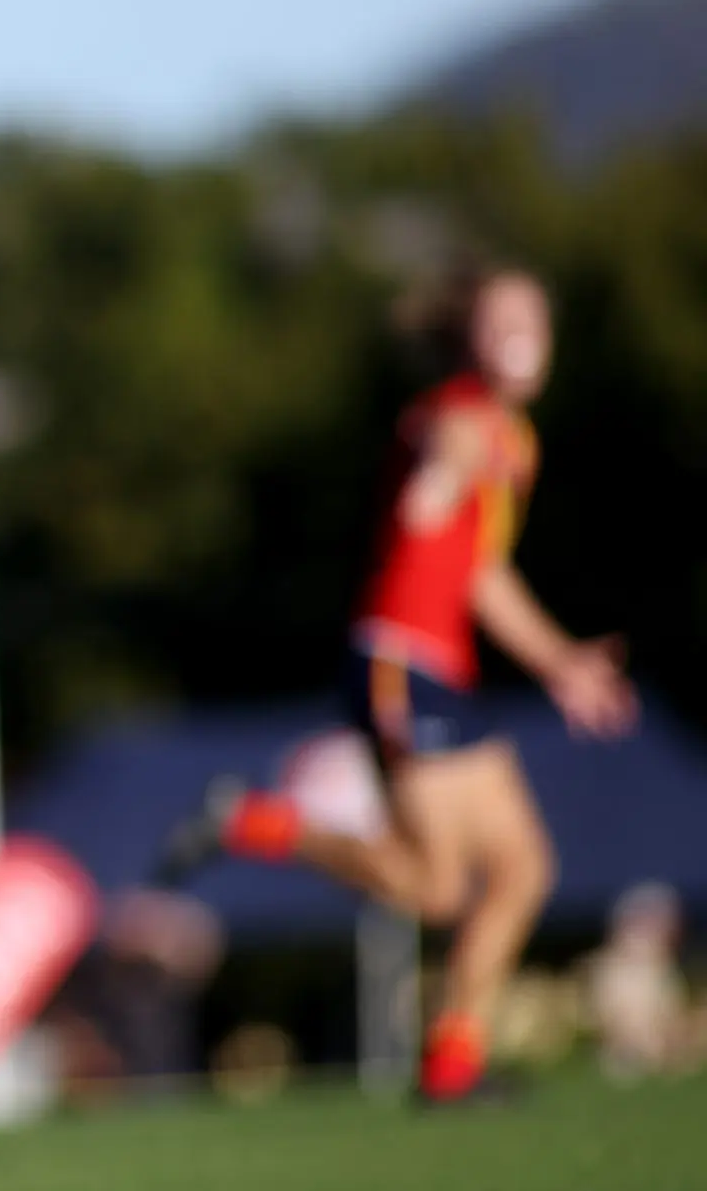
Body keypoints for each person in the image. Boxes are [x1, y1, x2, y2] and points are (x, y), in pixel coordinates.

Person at [161, 267, 637, 1104]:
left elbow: (482, 574)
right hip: (399, 664)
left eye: (534, 319)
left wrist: (561, 661)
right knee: (453, 885)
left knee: (511, 871)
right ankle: (262, 827)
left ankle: (451, 1058)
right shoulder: (456, 415)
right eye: (503, 321)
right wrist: (442, 479)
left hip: (440, 669)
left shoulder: (515, 441)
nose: (522, 334)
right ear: (473, 340)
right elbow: (440, 466)